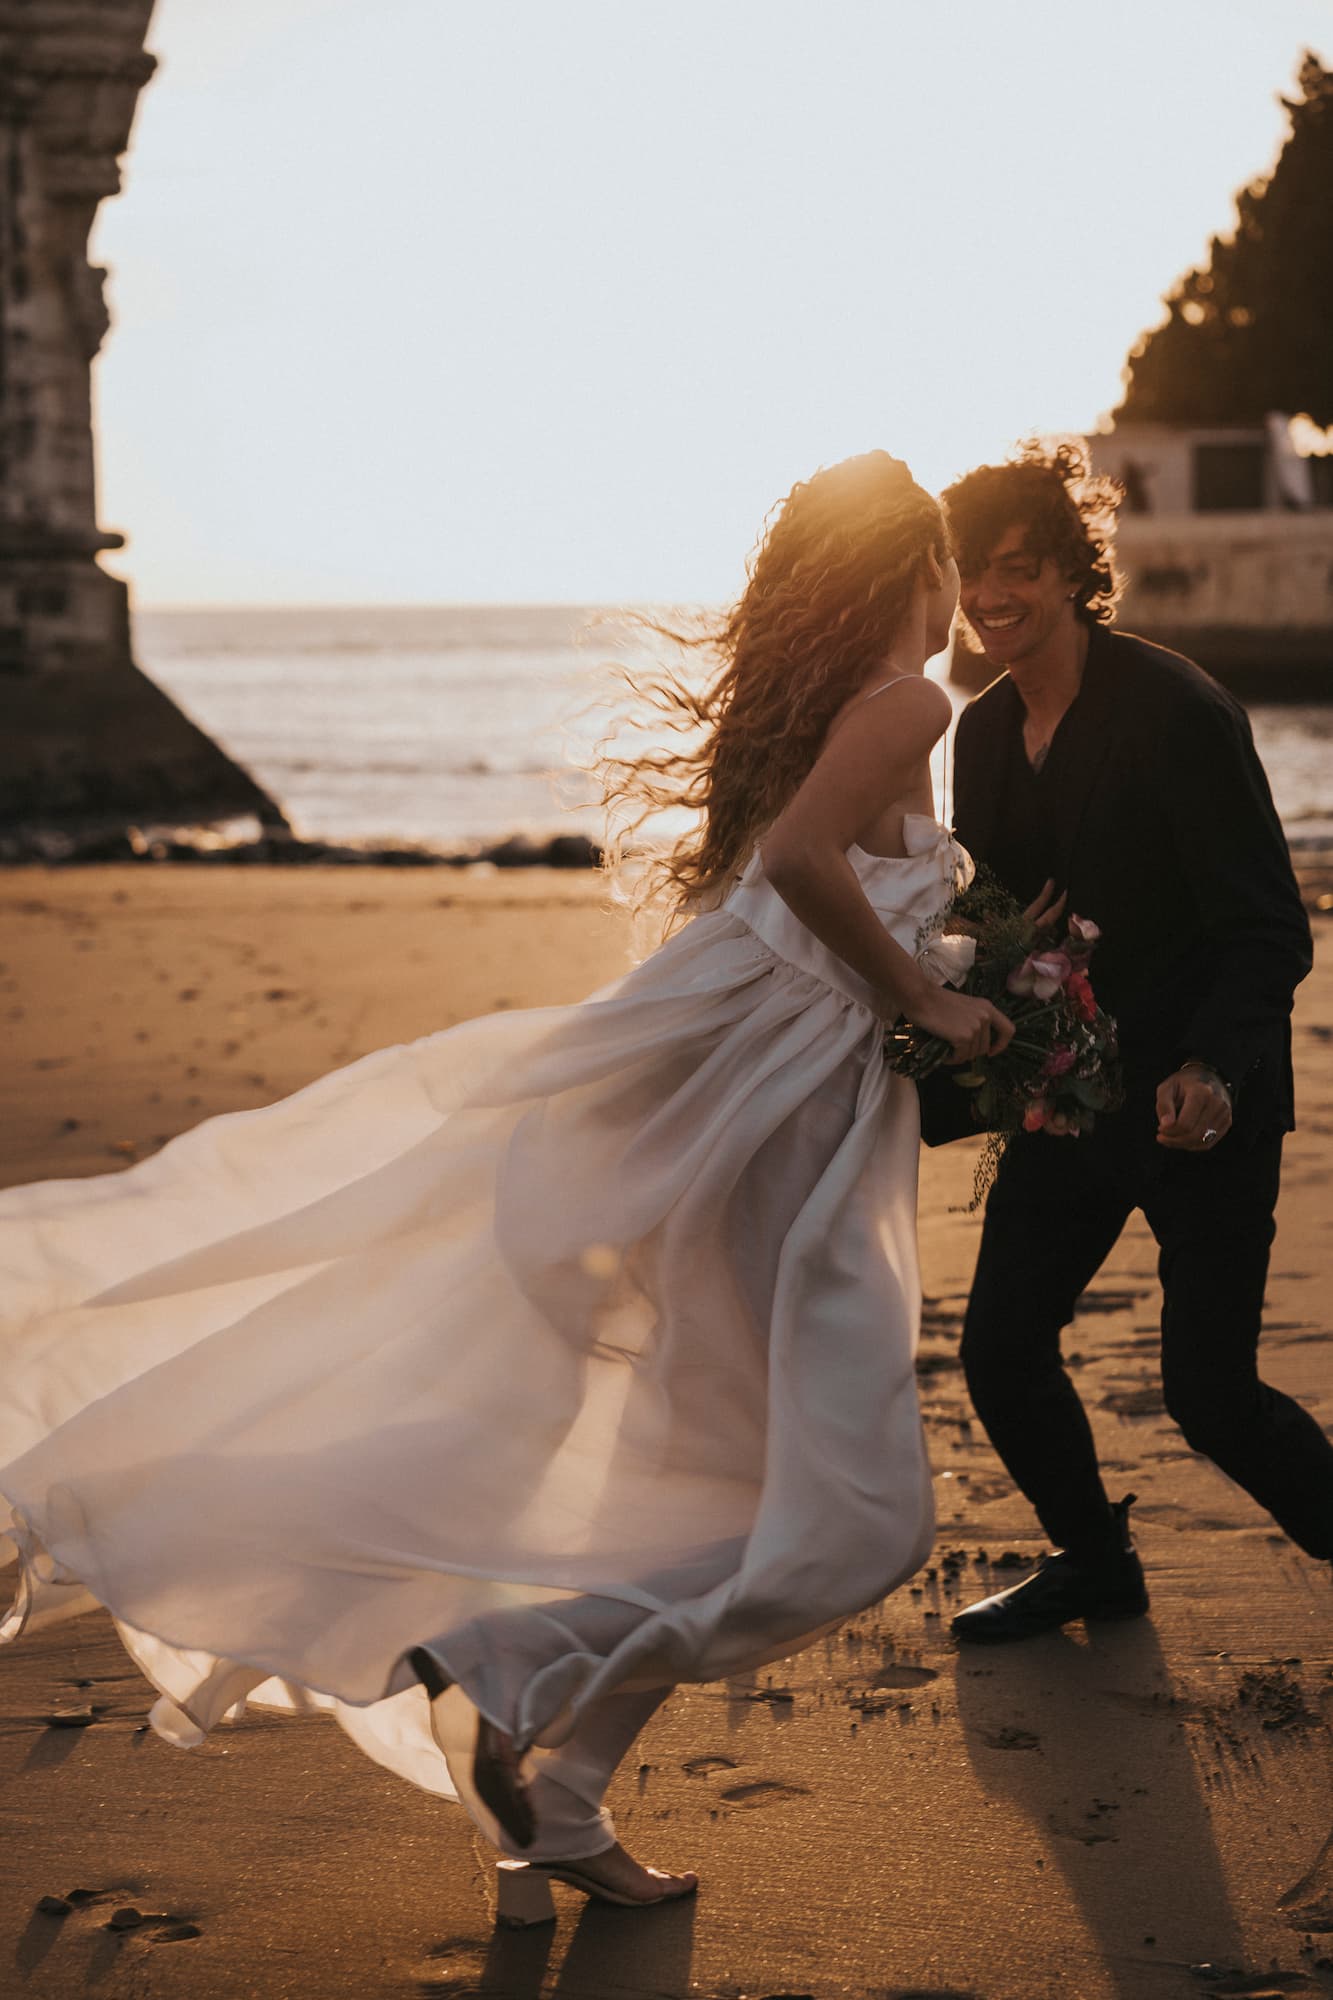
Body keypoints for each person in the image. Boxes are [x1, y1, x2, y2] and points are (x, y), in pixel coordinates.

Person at [0, 452, 1012, 1922]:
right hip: (770, 1158)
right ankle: (511, 1682)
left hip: (741, 1139)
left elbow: (780, 894)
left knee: (736, 1507)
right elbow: (801, 868)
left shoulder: (810, 712)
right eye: (943, 569)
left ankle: (558, 1786)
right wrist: (935, 995)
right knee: (850, 1523)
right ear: (909, 567)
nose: (956, 606)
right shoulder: (908, 701)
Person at [935, 440, 1326, 1646]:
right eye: (971, 575)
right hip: (1068, 1102)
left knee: (1210, 1394)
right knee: (1001, 1349)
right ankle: (1095, 1560)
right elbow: (992, 917)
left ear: (1068, 568)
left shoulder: (1178, 710)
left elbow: (1267, 923)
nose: (992, 598)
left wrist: (1211, 1068)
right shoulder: (986, 733)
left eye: (1016, 570)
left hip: (1200, 1102)